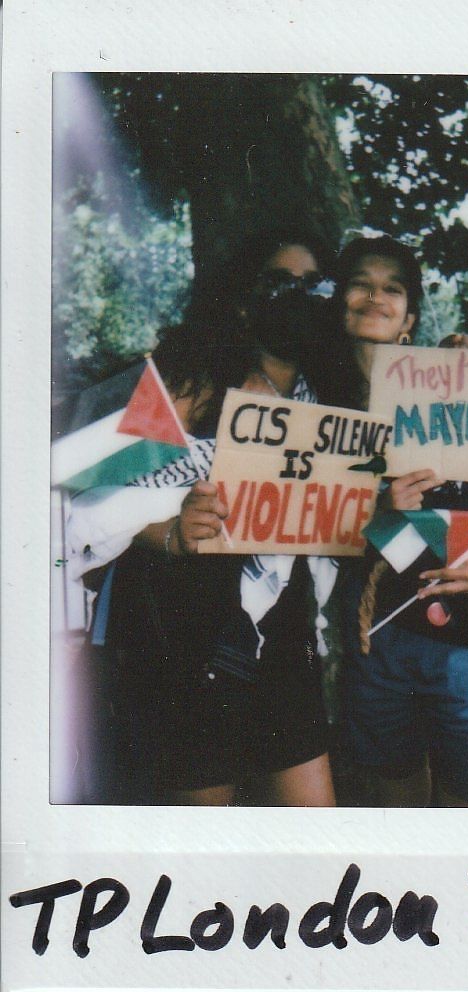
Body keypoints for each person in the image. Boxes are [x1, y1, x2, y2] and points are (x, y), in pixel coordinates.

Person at [66, 230, 338, 806]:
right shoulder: (191, 382)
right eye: (278, 282)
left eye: (313, 284)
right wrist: (167, 531)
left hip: (282, 634)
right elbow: (85, 483)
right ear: (242, 300)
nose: (298, 295)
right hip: (182, 626)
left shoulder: (328, 395)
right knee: (204, 841)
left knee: (313, 828)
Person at [325, 235, 468, 808]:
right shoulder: (313, 402)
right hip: (377, 637)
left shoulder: (452, 376)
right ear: (338, 298)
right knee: (396, 803)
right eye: (361, 282)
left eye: (393, 288)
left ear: (410, 315)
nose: (375, 297)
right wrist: (373, 509)